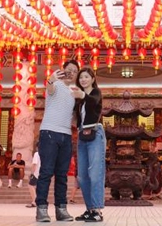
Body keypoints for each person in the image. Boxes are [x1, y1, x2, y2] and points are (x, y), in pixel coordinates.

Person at [34, 60, 80, 222]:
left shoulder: (74, 91)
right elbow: (50, 88)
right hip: (49, 133)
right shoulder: (56, 84)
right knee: (46, 172)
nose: (71, 72)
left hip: (66, 136)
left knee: (62, 175)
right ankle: (41, 209)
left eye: (75, 71)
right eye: (69, 69)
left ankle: (61, 209)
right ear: (63, 70)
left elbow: (74, 116)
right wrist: (51, 79)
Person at [71, 67, 105, 222]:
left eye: (86, 77)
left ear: (92, 79)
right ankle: (89, 209)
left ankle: (97, 210)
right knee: (82, 176)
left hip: (95, 134)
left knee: (94, 172)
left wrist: (83, 95)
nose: (83, 79)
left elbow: (93, 102)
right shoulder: (79, 100)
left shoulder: (95, 93)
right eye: (81, 77)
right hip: (82, 135)